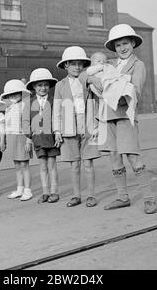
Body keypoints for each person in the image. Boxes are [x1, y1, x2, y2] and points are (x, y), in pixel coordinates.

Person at [98, 23, 157, 214]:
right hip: (108, 117)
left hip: (125, 117)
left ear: (133, 43)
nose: (122, 48)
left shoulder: (138, 65)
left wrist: (113, 91)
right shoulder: (111, 65)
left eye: (125, 44)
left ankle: (148, 198)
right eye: (118, 46)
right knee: (114, 158)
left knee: (133, 157)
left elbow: (135, 90)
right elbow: (96, 82)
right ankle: (122, 196)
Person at [53, 46, 102, 207]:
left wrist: (96, 125)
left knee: (88, 163)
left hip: (87, 126)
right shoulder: (60, 86)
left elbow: (98, 100)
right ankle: (76, 195)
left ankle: (91, 195)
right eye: (73, 64)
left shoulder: (87, 80)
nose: (77, 67)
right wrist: (57, 130)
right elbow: (56, 110)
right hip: (69, 128)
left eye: (80, 64)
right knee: (74, 165)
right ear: (66, 65)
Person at [26, 68, 60, 204]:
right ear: (34, 86)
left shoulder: (53, 101)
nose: (43, 88)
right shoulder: (29, 102)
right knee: (42, 166)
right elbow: (25, 120)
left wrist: (58, 133)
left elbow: (58, 118)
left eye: (46, 85)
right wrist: (29, 136)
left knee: (52, 165)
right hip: (38, 139)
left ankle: (54, 192)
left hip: (51, 138)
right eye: (40, 85)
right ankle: (45, 192)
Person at [1, 79, 34, 201]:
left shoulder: (25, 105)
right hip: (11, 137)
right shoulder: (8, 107)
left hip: (22, 137)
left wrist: (28, 140)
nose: (13, 96)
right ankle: (20, 189)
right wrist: (4, 140)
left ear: (22, 93)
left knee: (24, 165)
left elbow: (27, 123)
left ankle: (28, 190)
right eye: (11, 94)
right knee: (17, 165)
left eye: (17, 93)